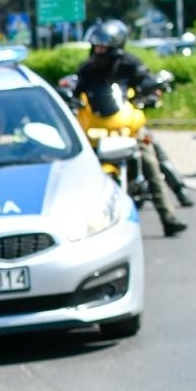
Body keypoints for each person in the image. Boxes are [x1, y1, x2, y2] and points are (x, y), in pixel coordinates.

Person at [75, 19, 186, 237]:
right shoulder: (87, 69)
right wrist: (70, 98)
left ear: (115, 48)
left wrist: (151, 87)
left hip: (126, 123)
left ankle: (168, 217)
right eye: (96, 46)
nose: (98, 51)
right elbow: (76, 90)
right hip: (97, 125)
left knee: (149, 160)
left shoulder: (130, 63)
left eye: (103, 47)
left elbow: (145, 79)